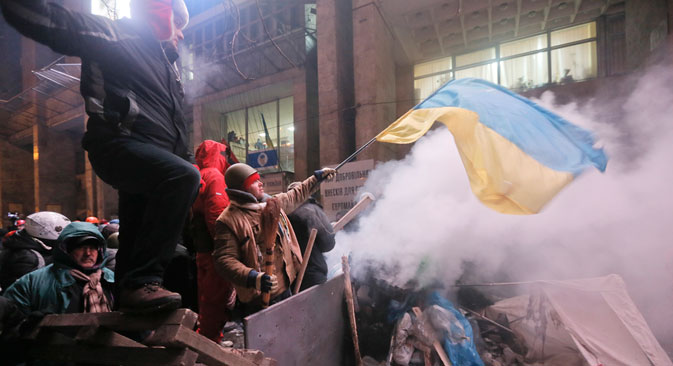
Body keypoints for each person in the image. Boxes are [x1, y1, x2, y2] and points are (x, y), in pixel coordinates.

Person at [0, 0, 201, 312]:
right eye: (179, 25)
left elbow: (175, 126)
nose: (182, 36)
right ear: (162, 17)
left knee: (138, 225)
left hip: (149, 157)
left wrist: (185, 158)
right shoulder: (117, 36)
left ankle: (129, 295)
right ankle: (144, 280)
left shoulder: (168, 70)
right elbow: (54, 22)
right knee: (183, 176)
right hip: (118, 145)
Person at [212, 163, 336, 314]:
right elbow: (224, 260)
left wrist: (316, 178)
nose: (260, 183)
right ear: (242, 188)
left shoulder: (271, 205)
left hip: (286, 289)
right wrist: (253, 278)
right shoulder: (228, 221)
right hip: (258, 300)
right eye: (254, 181)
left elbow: (295, 195)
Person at [3, 221, 114, 315]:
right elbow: (10, 315)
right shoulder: (33, 282)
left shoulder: (111, 279)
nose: (88, 253)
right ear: (66, 250)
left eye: (93, 248)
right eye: (81, 247)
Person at [191, 140, 237, 342]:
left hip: (201, 249)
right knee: (215, 299)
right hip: (214, 251)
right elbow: (217, 216)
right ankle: (210, 343)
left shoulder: (197, 175)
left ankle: (207, 337)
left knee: (206, 298)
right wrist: (226, 251)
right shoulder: (215, 176)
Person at [0, 212, 71, 292]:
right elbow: (29, 290)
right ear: (44, 231)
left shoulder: (26, 247)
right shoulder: (27, 256)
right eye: (60, 230)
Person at [286, 183, 336, 292]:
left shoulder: (282, 214)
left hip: (289, 278)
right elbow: (328, 243)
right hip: (313, 273)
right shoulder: (310, 210)